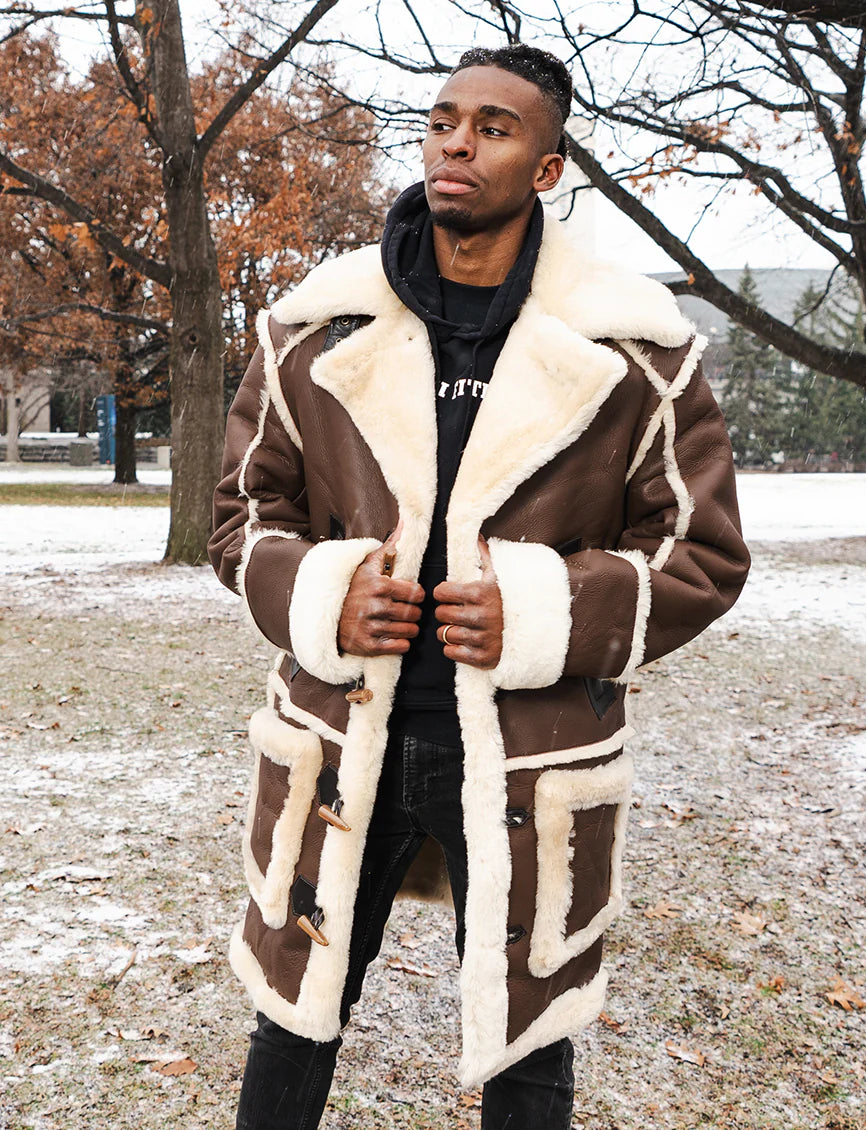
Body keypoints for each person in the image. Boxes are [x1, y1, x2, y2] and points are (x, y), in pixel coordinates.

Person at [209, 43, 750, 1130]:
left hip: (530, 745)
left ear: (547, 169)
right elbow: (240, 512)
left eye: (495, 127)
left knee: (528, 1041)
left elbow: (702, 552)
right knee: (293, 1016)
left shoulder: (635, 347)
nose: (458, 142)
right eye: (444, 120)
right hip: (338, 734)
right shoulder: (315, 327)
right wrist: (323, 589)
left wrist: (544, 609)